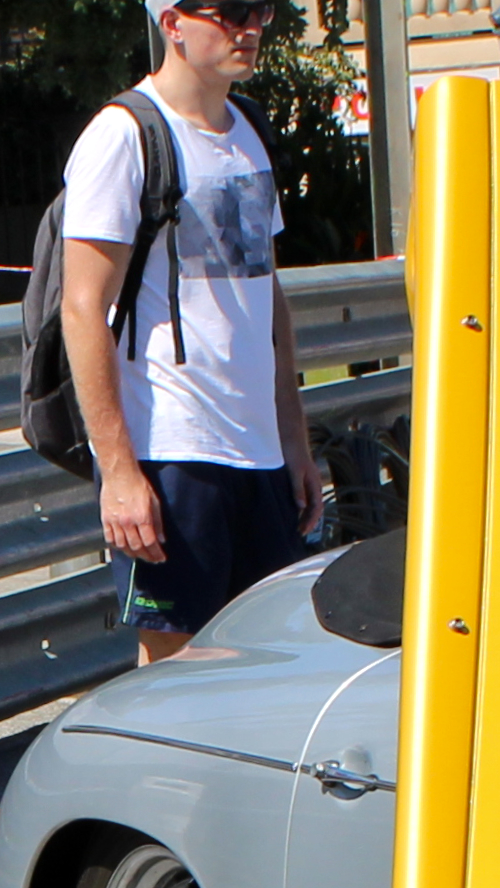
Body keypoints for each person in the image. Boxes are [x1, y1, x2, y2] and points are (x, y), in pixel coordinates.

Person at [56, 0, 325, 662]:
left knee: (272, 660)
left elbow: (267, 296)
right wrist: (118, 472)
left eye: (259, 9)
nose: (251, 27)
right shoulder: (122, 135)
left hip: (259, 453)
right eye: (231, 11)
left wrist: (294, 438)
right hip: (173, 450)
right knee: (179, 670)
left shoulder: (249, 131)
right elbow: (81, 307)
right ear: (171, 23)